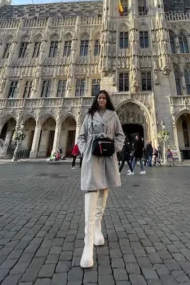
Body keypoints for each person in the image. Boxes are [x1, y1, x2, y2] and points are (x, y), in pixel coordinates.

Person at [77, 90, 124, 269]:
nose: (102, 100)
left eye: (104, 98)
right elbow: (81, 137)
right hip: (92, 157)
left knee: (104, 190)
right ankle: (87, 245)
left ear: (107, 100)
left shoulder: (113, 115)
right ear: (97, 100)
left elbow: (120, 135)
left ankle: (98, 226)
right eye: (100, 98)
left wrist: (117, 147)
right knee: (91, 190)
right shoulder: (89, 115)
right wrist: (84, 150)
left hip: (108, 157)